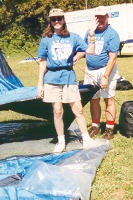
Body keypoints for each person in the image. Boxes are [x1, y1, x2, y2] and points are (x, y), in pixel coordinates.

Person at [37, 8, 98, 154]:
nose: (56, 21)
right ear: (50, 22)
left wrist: (91, 33)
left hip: (69, 78)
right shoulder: (46, 40)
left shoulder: (73, 37)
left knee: (78, 110)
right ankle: (61, 140)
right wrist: (40, 84)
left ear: (64, 19)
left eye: (59, 18)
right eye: (53, 19)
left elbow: (90, 51)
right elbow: (42, 63)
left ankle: (86, 139)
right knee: (57, 111)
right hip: (51, 79)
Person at [83, 6, 120, 140]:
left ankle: (109, 129)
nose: (100, 20)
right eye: (97, 17)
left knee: (108, 100)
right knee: (93, 100)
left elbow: (113, 58)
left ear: (107, 17)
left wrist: (105, 76)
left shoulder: (112, 34)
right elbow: (83, 49)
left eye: (102, 17)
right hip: (90, 71)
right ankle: (95, 126)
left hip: (105, 69)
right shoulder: (89, 32)